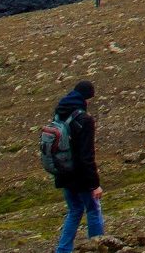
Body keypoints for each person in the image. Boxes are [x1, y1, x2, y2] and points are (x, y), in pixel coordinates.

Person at [48, 80, 102, 253]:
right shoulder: (84, 119)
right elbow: (87, 155)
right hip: (80, 175)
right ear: (86, 98)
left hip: (63, 172)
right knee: (93, 209)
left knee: (75, 210)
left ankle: (63, 250)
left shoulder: (59, 113)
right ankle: (98, 246)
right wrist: (94, 184)